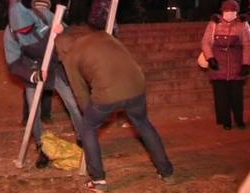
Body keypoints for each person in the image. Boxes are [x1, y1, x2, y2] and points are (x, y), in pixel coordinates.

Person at [55, 31, 174, 192]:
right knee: (143, 124)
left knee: (88, 128)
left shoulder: (70, 56)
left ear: (62, 50)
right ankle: (167, 172)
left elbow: (80, 92)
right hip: (137, 86)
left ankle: (98, 180)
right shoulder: (104, 36)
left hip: (107, 93)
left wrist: (90, 113)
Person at [3, 0, 83, 169]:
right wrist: (32, 76)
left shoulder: (45, 15)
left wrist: (62, 32)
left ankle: (83, 139)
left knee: (73, 104)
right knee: (33, 112)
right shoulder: (9, 34)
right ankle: (42, 148)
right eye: (21, 32)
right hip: (31, 68)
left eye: (28, 29)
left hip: (53, 65)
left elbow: (70, 35)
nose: (25, 34)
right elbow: (13, 64)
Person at [201, 0, 250, 130]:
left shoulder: (242, 25)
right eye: (227, 10)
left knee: (236, 95)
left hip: (236, 62)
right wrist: (210, 58)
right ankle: (226, 121)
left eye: (232, 11)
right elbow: (205, 42)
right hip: (218, 63)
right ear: (222, 11)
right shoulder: (214, 24)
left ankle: (239, 119)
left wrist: (246, 63)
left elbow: (247, 44)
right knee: (221, 95)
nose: (229, 13)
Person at [21, 0, 55, 126]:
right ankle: (27, 116)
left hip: (47, 58)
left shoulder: (52, 19)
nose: (41, 9)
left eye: (44, 6)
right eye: (38, 6)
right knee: (30, 87)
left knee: (47, 87)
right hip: (31, 59)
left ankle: (45, 115)